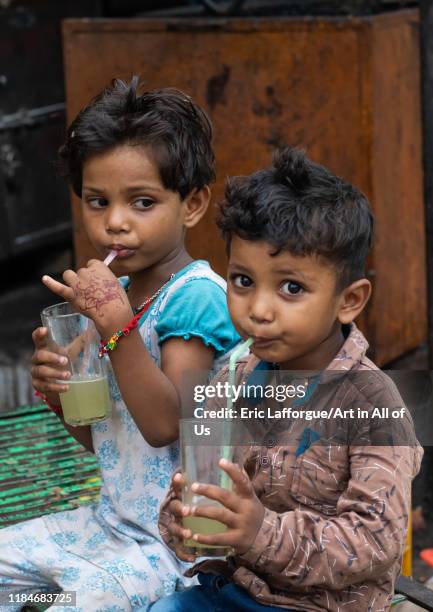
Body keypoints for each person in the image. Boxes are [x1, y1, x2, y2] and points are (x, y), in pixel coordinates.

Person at [0, 78, 240, 610]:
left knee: (72, 604)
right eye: (97, 201)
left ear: (193, 204)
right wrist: (59, 392)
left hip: (178, 550)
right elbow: (106, 442)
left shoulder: (197, 299)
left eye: (142, 201)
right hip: (112, 522)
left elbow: (161, 428)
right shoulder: (123, 298)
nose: (114, 222)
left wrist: (114, 325)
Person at [155, 147, 424, 611]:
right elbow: (194, 488)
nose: (258, 310)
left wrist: (261, 532)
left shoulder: (373, 405)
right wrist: (181, 520)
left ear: (350, 300)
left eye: (291, 288)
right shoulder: (233, 378)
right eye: (242, 281)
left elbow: (374, 541)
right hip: (233, 593)